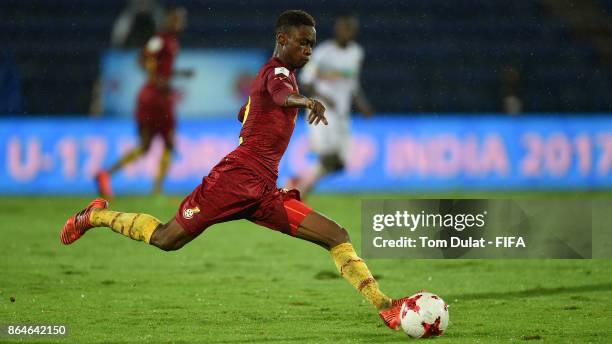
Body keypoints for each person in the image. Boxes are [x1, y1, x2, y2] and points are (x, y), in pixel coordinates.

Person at [61, 10, 408, 331]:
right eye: (302, 42)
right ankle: (94, 216)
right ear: (282, 39)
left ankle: (385, 306)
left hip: (263, 192)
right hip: (233, 181)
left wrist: (254, 114)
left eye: (312, 44)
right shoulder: (278, 73)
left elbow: (247, 108)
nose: (308, 50)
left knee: (336, 234)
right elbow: (279, 93)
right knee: (167, 239)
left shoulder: (275, 76)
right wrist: (306, 102)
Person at [96, 7, 193, 198]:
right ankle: (156, 191)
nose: (182, 24)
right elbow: (144, 58)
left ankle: (106, 174)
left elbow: (160, 69)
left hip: (157, 96)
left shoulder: (171, 42)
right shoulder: (161, 39)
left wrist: (178, 74)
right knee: (166, 142)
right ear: (171, 20)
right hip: (154, 98)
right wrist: (155, 79)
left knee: (148, 145)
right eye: (179, 20)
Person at [287, 12, 374, 198]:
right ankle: (298, 193)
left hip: (343, 114)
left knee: (339, 163)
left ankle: (297, 184)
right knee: (328, 157)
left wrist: (362, 104)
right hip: (322, 112)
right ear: (337, 29)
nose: (347, 32)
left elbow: (353, 83)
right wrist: (326, 96)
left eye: (350, 29)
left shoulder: (356, 53)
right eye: (344, 28)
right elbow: (307, 82)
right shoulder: (323, 53)